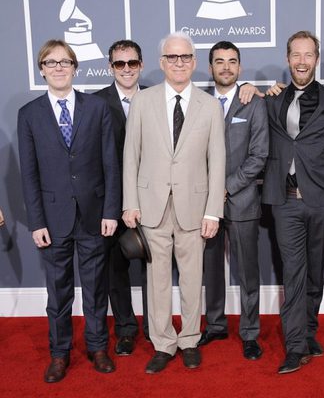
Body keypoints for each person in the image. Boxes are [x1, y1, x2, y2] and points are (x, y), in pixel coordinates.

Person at [122, 31, 225, 373]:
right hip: (151, 206)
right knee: (158, 281)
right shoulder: (143, 101)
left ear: (194, 63)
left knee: (193, 279)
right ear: (162, 62)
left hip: (194, 209)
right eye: (172, 57)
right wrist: (130, 202)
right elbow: (131, 156)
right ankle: (163, 342)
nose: (178, 63)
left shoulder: (210, 106)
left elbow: (217, 161)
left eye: (185, 57)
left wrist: (213, 210)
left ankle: (191, 339)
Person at [18, 40, 120, 383]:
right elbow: (29, 173)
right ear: (42, 69)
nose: (59, 67)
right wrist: (36, 221)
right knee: (57, 293)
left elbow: (110, 163)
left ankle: (97, 347)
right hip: (52, 218)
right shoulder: (29, 114)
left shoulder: (97, 108)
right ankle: (59, 354)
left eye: (65, 62)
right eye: (51, 62)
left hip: (93, 215)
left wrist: (111, 211)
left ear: (75, 68)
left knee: (95, 289)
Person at [262, 31, 324, 374]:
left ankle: (309, 330)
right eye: (296, 55)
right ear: (287, 58)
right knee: (294, 273)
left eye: (308, 55)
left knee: (315, 272)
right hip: (285, 202)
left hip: (323, 201)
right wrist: (250, 89)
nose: (301, 61)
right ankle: (295, 346)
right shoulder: (272, 101)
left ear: (317, 58)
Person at [198, 41, 268, 361]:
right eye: (219, 61)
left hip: (241, 200)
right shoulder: (197, 102)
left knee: (247, 271)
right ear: (210, 67)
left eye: (232, 61)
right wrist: (209, 193)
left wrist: (225, 188)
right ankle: (214, 324)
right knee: (211, 268)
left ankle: (250, 332)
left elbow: (259, 155)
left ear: (239, 68)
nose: (226, 67)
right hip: (205, 205)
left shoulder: (253, 101)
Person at [95, 40, 149, 356]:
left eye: (131, 63)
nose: (126, 69)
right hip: (112, 203)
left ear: (141, 65)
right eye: (119, 64)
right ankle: (126, 329)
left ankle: (157, 329)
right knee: (116, 270)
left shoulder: (159, 98)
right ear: (110, 67)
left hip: (154, 200)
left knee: (154, 269)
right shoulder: (95, 103)